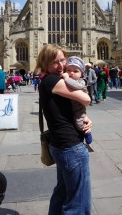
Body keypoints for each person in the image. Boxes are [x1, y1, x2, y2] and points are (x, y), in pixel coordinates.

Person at [35, 44, 92, 215]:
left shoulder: (47, 80)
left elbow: (70, 108)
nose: (61, 66)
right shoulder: (54, 80)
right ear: (45, 64)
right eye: (55, 62)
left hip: (60, 144)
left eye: (62, 60)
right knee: (78, 201)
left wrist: (86, 118)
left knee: (62, 191)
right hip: (70, 147)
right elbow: (86, 99)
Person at [62, 56, 92, 145]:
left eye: (75, 71)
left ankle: (87, 134)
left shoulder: (81, 82)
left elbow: (75, 86)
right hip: (72, 107)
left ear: (81, 74)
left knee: (80, 123)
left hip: (78, 108)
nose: (71, 73)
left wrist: (66, 78)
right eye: (69, 70)